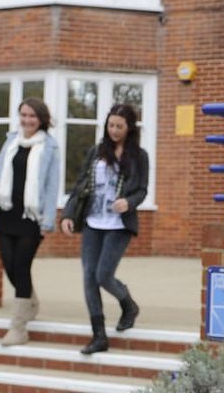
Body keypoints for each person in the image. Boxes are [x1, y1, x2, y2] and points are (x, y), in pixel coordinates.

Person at [60, 103, 149, 355]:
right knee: (89, 277)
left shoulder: (139, 156)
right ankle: (99, 336)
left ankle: (128, 304)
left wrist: (129, 202)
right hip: (92, 222)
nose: (114, 130)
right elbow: (80, 185)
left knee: (103, 275)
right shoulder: (96, 152)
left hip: (119, 224)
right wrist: (68, 214)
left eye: (120, 126)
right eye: (111, 125)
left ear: (129, 128)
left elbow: (142, 189)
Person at [0, 97, 60, 346]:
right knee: (9, 265)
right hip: (7, 211)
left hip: (31, 217)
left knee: (21, 267)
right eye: (23, 115)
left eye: (32, 116)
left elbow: (52, 184)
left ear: (42, 119)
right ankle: (30, 302)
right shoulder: (11, 141)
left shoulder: (50, 147)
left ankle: (18, 327)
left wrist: (48, 218)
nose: (27, 120)